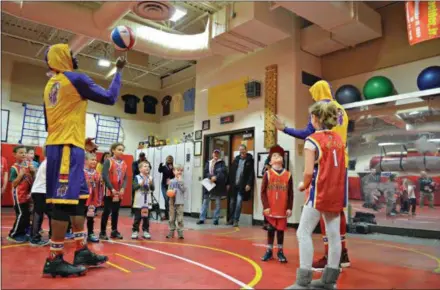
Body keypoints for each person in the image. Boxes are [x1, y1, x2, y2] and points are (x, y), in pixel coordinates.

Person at [43, 43, 125, 277]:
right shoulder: (75, 78)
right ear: (62, 57)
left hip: (69, 145)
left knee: (79, 199)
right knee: (62, 202)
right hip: (66, 149)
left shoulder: (50, 85)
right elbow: (110, 97)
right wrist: (118, 71)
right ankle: (54, 258)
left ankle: (81, 250)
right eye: (71, 54)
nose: (75, 57)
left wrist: (80, 141)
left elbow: (51, 123)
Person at [275, 80, 351, 270]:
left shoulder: (316, 126)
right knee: (337, 213)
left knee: (305, 230)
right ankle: (341, 256)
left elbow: (307, 135)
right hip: (341, 163)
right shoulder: (341, 111)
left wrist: (284, 129)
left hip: (323, 170)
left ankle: (308, 272)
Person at [289, 101, 346, 289]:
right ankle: (329, 281)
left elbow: (307, 172)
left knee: (302, 232)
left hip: (319, 193)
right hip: (336, 193)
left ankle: (303, 281)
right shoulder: (339, 139)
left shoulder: (312, 140)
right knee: (334, 235)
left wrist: (302, 185)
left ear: (315, 118)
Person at [260, 145, 293, 264]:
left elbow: (291, 193)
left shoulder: (288, 174)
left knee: (280, 230)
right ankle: (269, 251)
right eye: (274, 155)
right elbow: (262, 191)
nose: (277, 157)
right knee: (270, 229)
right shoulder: (268, 174)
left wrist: (289, 207)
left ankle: (280, 251)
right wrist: (266, 206)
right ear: (270, 160)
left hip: (282, 208)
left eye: (279, 155)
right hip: (271, 208)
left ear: (283, 159)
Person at [8, 145, 35, 243]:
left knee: (27, 215)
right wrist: (20, 175)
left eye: (24, 152)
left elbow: (32, 179)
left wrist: (33, 172)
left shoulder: (28, 166)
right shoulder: (14, 168)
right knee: (22, 214)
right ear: (15, 155)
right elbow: (13, 183)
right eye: (20, 152)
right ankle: (13, 234)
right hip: (18, 196)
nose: (23, 154)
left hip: (27, 195)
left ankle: (22, 233)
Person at [100, 142, 127, 240]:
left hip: (119, 192)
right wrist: (111, 188)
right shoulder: (108, 161)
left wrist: (123, 188)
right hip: (109, 191)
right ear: (113, 150)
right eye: (119, 149)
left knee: (116, 211)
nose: (121, 152)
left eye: (122, 150)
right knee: (107, 211)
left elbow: (125, 177)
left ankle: (114, 231)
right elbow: (105, 175)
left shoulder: (124, 163)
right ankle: (102, 232)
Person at [197, 149, 228, 225]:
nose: (216, 155)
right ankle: (201, 218)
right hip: (209, 184)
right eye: (215, 153)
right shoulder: (208, 162)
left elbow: (223, 172)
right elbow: (205, 172)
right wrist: (211, 177)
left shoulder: (222, 163)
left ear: (219, 155)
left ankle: (215, 219)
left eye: (217, 153)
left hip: (218, 186)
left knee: (217, 203)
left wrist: (216, 177)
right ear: (212, 154)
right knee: (205, 202)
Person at [228, 144, 255, 227]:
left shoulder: (250, 160)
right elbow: (231, 172)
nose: (241, 151)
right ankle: (231, 219)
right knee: (232, 203)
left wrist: (249, 184)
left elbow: (251, 174)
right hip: (234, 185)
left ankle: (236, 220)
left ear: (246, 150)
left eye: (243, 149)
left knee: (239, 202)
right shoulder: (236, 159)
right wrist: (228, 183)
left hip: (242, 186)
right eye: (240, 150)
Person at [30, 151, 52, 247]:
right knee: (39, 214)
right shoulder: (49, 162)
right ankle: (34, 238)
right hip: (41, 191)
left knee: (50, 213)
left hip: (41, 191)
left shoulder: (47, 162)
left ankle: (51, 235)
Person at [132, 161, 154, 240]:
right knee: (137, 218)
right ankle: (135, 231)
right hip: (138, 201)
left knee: (146, 218)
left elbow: (153, 189)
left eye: (148, 166)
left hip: (147, 201)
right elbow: (134, 188)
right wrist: (140, 184)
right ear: (140, 169)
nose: (147, 167)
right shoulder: (137, 177)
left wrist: (151, 184)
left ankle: (146, 231)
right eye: (145, 166)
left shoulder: (150, 177)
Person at [84, 153, 102, 243]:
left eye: (95, 160)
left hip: (93, 200)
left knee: (90, 217)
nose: (94, 161)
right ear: (85, 160)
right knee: (79, 217)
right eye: (92, 159)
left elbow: (99, 187)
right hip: (83, 199)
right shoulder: (81, 172)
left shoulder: (97, 173)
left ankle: (90, 233)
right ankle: (76, 233)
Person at [166, 164, 187, 239]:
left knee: (180, 218)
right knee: (171, 218)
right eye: (178, 170)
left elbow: (184, 189)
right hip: (172, 202)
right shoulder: (171, 181)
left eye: (181, 171)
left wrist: (180, 181)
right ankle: (171, 231)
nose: (179, 172)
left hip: (180, 203)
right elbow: (168, 191)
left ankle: (180, 233)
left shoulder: (183, 181)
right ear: (174, 171)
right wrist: (171, 192)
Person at [158, 155, 175, 220]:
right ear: (166, 160)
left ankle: (169, 215)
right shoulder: (164, 167)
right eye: (168, 160)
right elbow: (159, 171)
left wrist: (172, 169)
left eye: (170, 160)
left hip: (170, 185)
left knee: (169, 200)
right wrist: (160, 165)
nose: (169, 161)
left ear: (172, 161)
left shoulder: (173, 167)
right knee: (166, 199)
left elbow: (173, 176)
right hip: (163, 185)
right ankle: (167, 215)